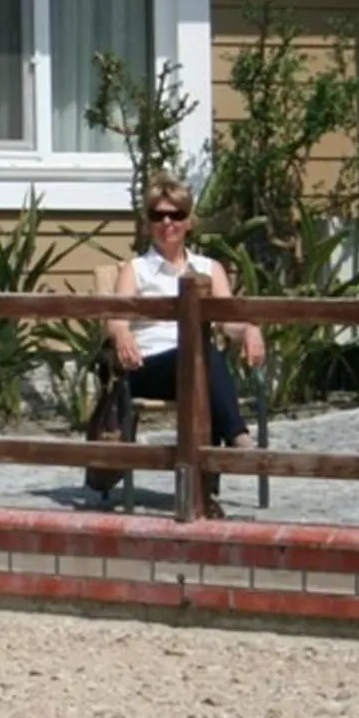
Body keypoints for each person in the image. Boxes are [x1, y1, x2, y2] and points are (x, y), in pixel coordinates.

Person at [104, 177, 265, 517]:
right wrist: (121, 335)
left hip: (195, 365)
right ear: (148, 223)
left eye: (175, 215)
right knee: (203, 356)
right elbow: (115, 317)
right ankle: (237, 439)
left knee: (201, 361)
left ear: (189, 222)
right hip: (148, 366)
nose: (167, 223)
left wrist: (249, 329)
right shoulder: (135, 269)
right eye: (158, 215)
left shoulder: (209, 269)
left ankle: (202, 493)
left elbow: (228, 321)